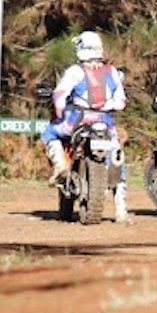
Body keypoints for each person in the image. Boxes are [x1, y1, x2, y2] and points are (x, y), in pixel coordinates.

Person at [40, 30, 130, 221]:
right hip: (104, 122)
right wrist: (106, 106)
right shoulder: (112, 72)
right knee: (116, 155)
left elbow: (59, 96)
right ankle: (121, 208)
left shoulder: (75, 71)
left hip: (76, 120)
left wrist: (59, 112)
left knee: (49, 132)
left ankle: (60, 165)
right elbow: (121, 102)